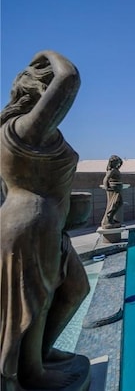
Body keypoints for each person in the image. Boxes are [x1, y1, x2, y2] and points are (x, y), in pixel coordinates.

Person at [0, 51, 90, 390]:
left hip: (46, 224)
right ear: (38, 92)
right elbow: (70, 77)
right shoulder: (26, 129)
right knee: (35, 302)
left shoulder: (14, 132)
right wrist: (47, 55)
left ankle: (44, 352)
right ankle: (32, 373)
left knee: (74, 289)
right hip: (31, 224)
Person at [101, 155, 124, 228]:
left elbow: (121, 162)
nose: (118, 164)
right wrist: (107, 187)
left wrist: (120, 162)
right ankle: (108, 219)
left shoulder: (116, 169)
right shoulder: (112, 170)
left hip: (117, 189)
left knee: (119, 203)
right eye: (116, 162)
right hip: (113, 190)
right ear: (112, 162)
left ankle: (111, 218)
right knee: (114, 204)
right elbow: (105, 179)